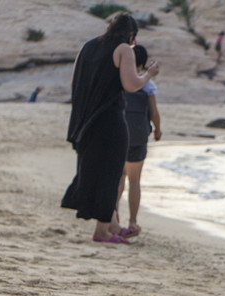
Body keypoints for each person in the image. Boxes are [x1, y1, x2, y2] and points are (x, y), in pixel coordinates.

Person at [61, 13, 160, 244]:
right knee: (111, 173)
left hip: (85, 121)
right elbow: (131, 84)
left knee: (94, 169)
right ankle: (102, 231)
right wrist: (149, 74)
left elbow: (74, 82)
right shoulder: (124, 49)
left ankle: (113, 225)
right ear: (131, 34)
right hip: (110, 120)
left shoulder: (87, 46)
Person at [117, 44, 162, 238]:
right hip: (138, 137)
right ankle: (133, 222)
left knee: (118, 179)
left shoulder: (118, 80)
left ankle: (113, 215)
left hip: (118, 135)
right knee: (134, 180)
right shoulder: (148, 84)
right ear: (142, 64)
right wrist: (158, 130)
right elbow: (154, 113)